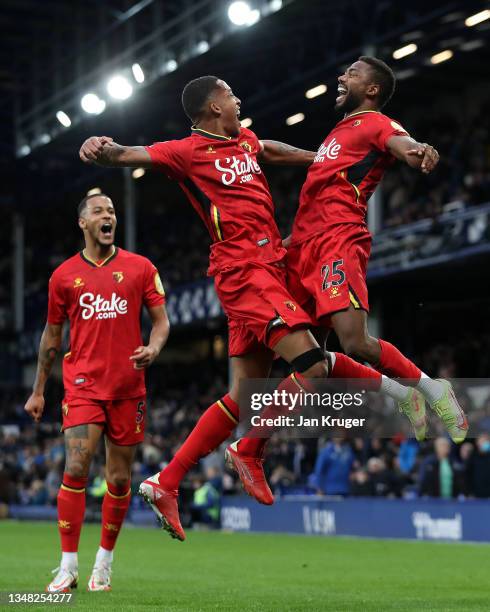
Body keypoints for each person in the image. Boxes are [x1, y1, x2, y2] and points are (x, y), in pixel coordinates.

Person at [79, 76, 430, 541]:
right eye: (230, 94)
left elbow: (270, 148)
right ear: (211, 106)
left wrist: (324, 161)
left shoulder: (243, 140)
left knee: (245, 395)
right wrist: (101, 146)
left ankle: (167, 482)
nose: (238, 98)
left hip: (268, 265)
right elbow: (127, 154)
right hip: (245, 270)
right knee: (311, 363)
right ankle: (251, 449)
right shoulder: (185, 151)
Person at [279, 56, 468, 442]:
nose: (340, 76)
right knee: (307, 357)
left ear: (372, 89)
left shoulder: (376, 122)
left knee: (354, 341)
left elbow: (400, 142)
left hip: (336, 239)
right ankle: (401, 394)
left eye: (351, 73)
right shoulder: (335, 133)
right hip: (303, 248)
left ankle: (433, 390)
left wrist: (418, 150)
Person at [24, 194, 169, 592]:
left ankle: (103, 563)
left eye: (111, 211)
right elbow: (52, 338)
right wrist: (39, 390)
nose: (108, 216)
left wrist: (154, 349)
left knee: (119, 479)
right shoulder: (64, 277)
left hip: (128, 388)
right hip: (83, 385)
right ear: (83, 224)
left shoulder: (141, 268)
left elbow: (161, 322)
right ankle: (67, 566)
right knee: (75, 467)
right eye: (98, 212)